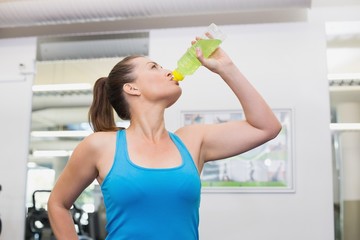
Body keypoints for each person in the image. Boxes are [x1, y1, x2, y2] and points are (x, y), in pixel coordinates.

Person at [47, 37, 282, 239]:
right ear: (132, 89)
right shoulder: (100, 145)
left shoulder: (191, 141)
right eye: (154, 67)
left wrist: (227, 68)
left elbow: (266, 127)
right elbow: (57, 204)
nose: (168, 71)